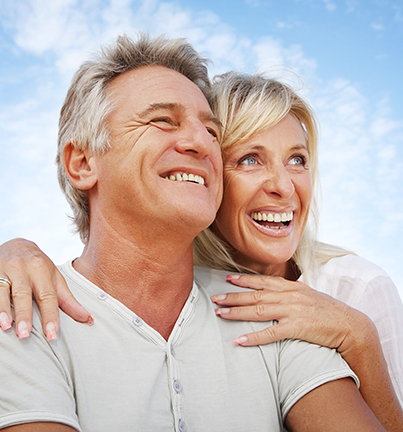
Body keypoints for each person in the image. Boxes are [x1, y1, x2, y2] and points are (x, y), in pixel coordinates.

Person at [0, 33, 386, 432]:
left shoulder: (274, 310)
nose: (202, 144)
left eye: (212, 132)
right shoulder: (21, 310)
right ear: (82, 162)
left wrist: (360, 336)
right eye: (162, 120)